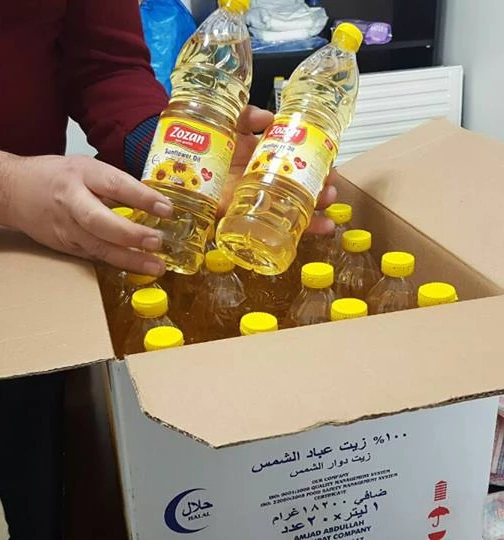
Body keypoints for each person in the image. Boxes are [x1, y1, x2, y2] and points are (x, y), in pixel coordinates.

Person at [0, 1, 338, 538]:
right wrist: (9, 188)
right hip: (28, 214)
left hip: (27, 264)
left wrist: (175, 153)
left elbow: (105, 66)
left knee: (34, 471)